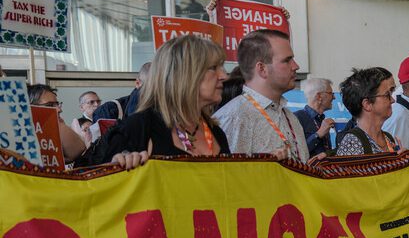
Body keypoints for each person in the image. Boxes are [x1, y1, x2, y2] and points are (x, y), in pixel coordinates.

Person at [103, 35, 229, 170]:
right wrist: (116, 166)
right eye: (213, 68)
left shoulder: (216, 132)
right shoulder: (138, 129)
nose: (224, 76)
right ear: (183, 74)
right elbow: (100, 184)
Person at [214, 29, 308, 162]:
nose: (296, 66)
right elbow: (229, 178)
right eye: (287, 60)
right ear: (262, 69)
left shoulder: (290, 117)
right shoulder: (235, 118)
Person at [334, 68, 398, 156]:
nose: (393, 100)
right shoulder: (352, 143)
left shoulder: (388, 138)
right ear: (367, 104)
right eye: (387, 95)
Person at [27, 84, 86, 164]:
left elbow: (78, 149)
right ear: (31, 108)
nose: (59, 109)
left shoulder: (59, 127)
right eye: (50, 105)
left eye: (57, 104)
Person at [294, 78, 335, 156]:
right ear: (319, 96)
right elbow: (296, 152)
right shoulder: (296, 118)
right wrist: (318, 135)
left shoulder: (322, 119)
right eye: (331, 93)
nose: (334, 97)